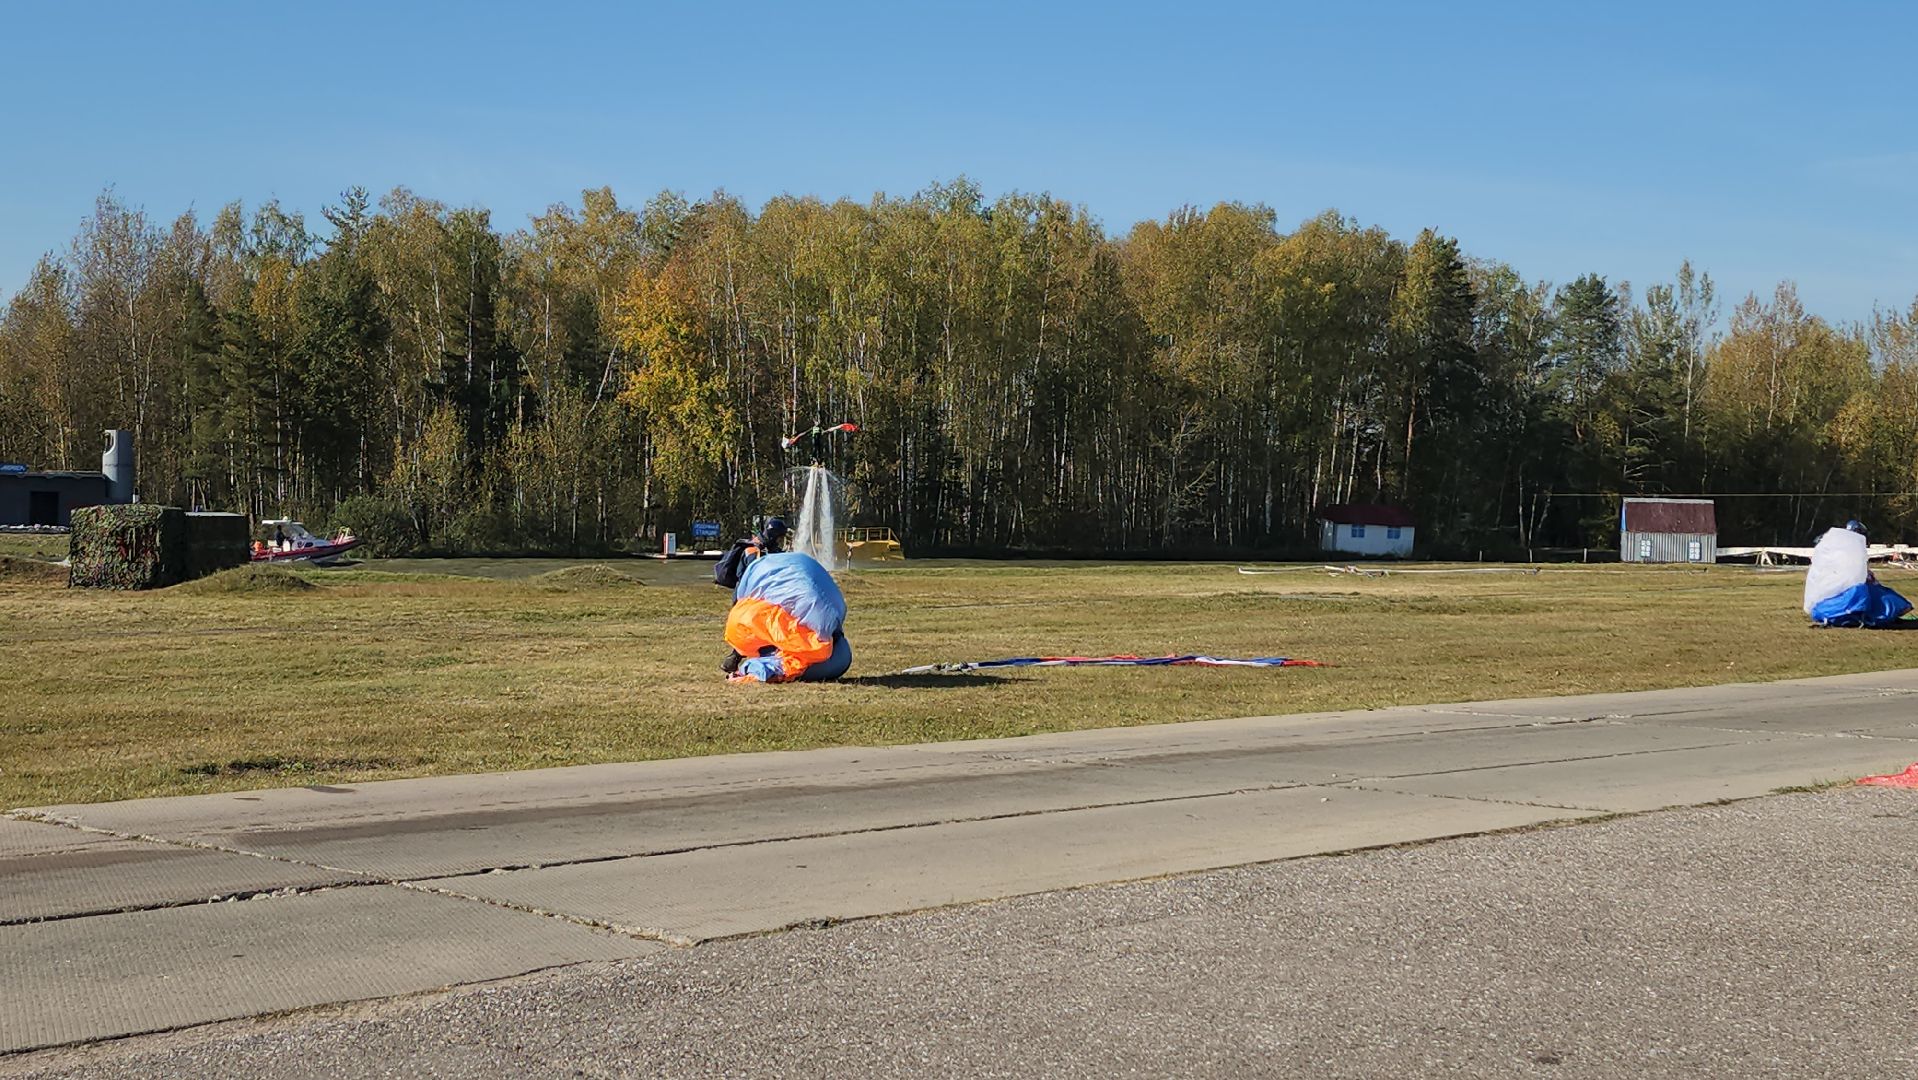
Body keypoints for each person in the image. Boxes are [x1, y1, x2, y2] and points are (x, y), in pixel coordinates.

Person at [720, 550, 853, 682]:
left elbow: (782, 665)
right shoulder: (827, 631)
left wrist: (748, 672)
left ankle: (742, 655)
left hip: (810, 616)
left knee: (747, 628)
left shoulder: (815, 646)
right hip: (817, 600)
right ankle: (741, 655)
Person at [1803, 520, 1912, 627]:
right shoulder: (1848, 555)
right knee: (1872, 594)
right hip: (1844, 594)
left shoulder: (1838, 552)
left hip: (1826, 599)